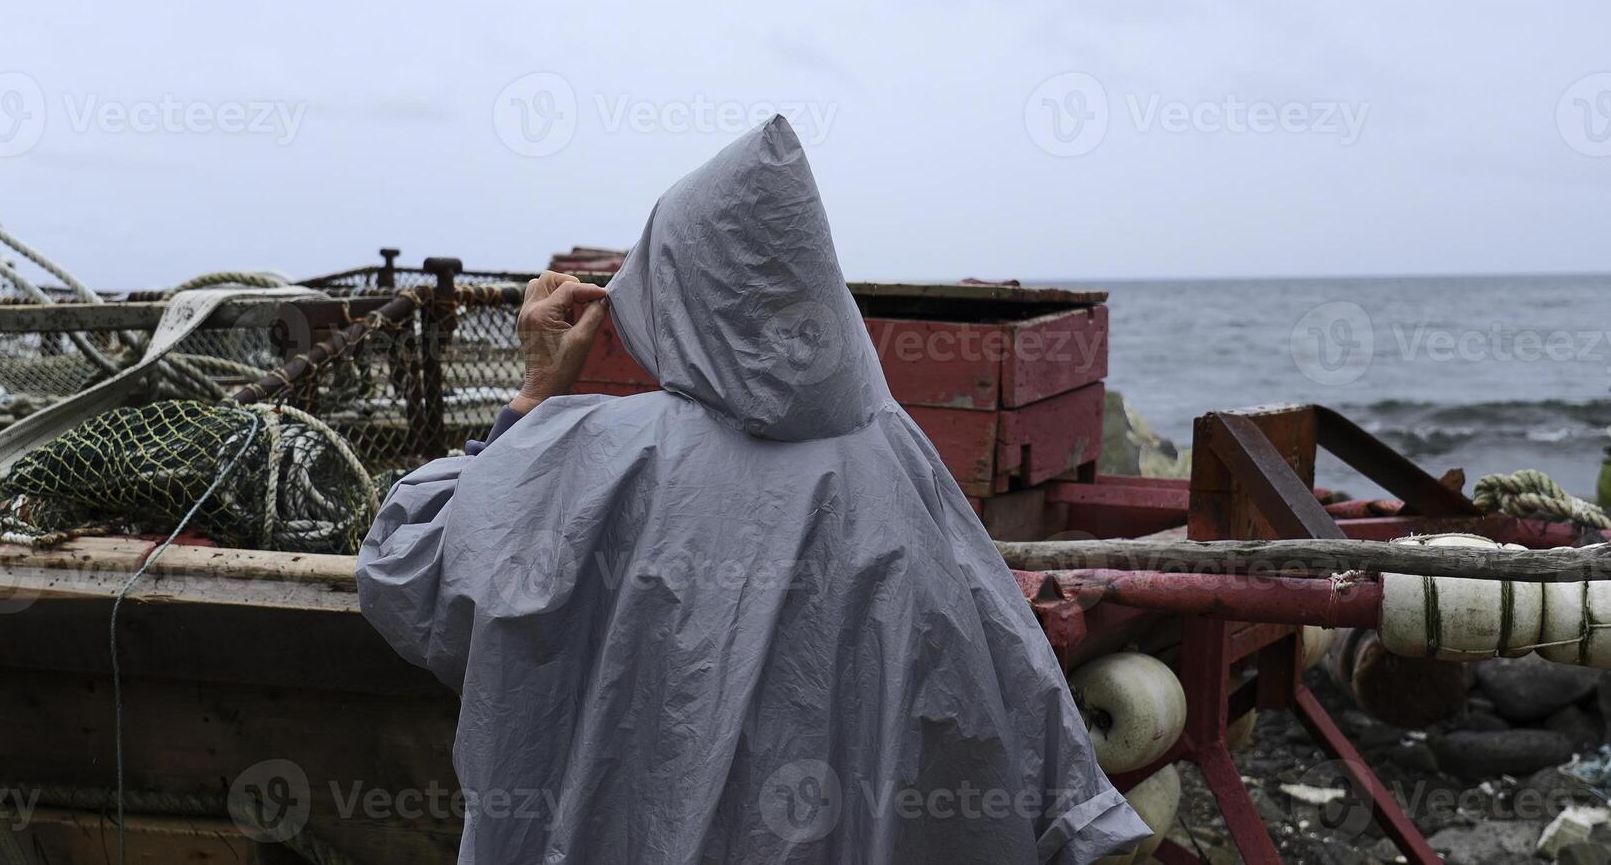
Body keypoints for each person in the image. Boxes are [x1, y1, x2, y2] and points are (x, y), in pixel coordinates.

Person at [356, 117, 1149, 863]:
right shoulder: (899, 457)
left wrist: (533, 393)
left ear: (675, 283)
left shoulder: (599, 455)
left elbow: (409, 562)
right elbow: (1005, 662)